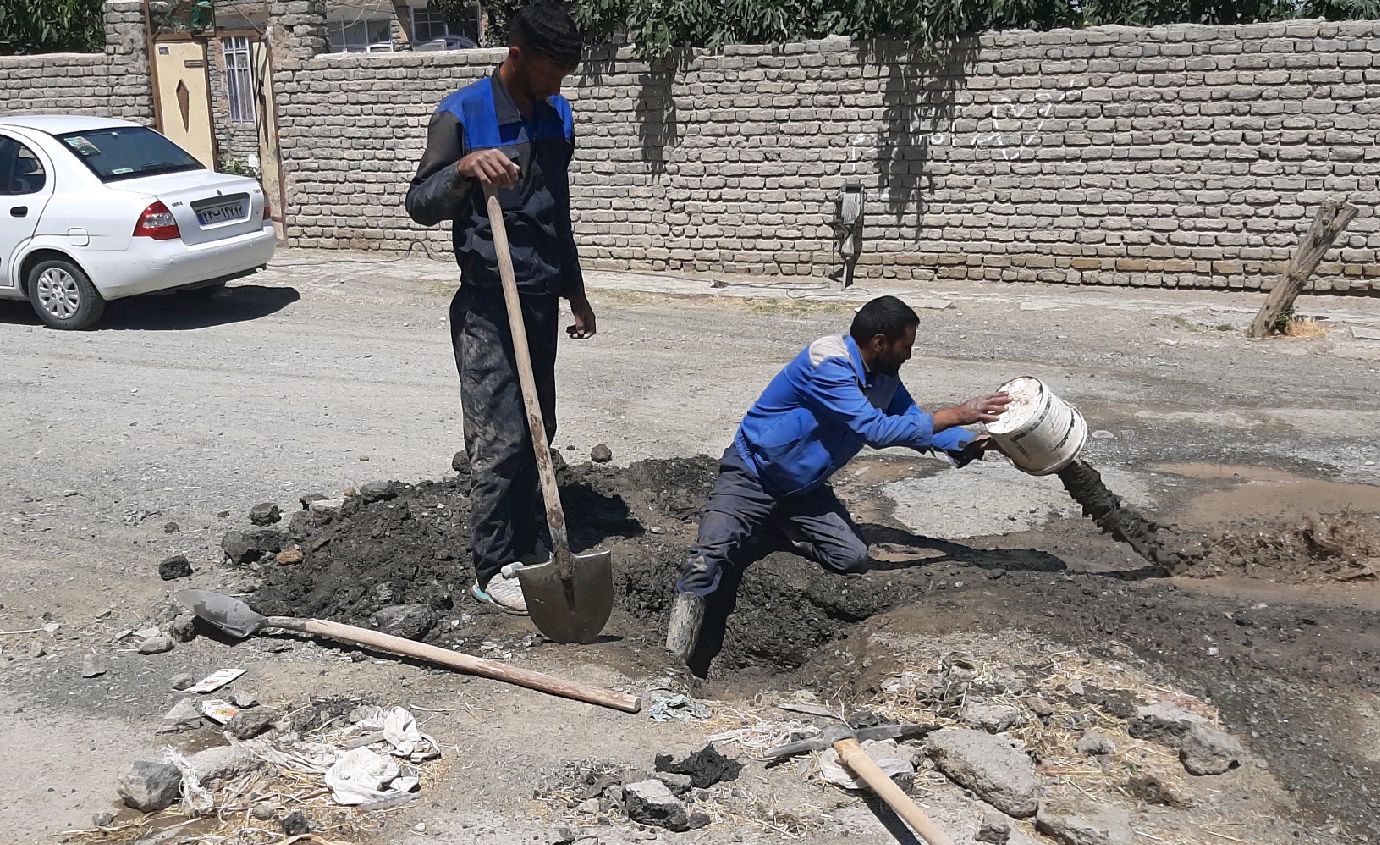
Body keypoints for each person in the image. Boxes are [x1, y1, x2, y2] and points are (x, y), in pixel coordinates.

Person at [666, 295, 1011, 667]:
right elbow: (873, 429)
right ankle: (674, 657)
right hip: (752, 475)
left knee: (853, 557)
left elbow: (910, 419)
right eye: (905, 346)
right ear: (879, 342)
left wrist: (968, 443)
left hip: (802, 491)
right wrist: (959, 413)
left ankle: (771, 529)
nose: (908, 356)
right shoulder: (827, 362)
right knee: (710, 556)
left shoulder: (884, 379)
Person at [405, 1, 595, 615]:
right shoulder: (462, 114)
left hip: (539, 296)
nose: (556, 87)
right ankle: (492, 566)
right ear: (516, 55)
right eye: (549, 73)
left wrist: (576, 287)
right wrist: (462, 168)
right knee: (499, 435)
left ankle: (535, 540)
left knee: (542, 424)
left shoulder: (557, 112)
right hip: (489, 299)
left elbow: (557, 210)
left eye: (563, 76)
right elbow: (420, 203)